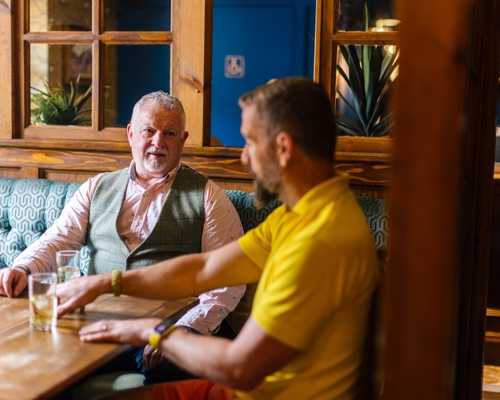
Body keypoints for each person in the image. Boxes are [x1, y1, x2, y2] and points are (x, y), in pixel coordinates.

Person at [56, 77, 380, 400]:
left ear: (283, 148)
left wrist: (151, 332)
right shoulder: (302, 213)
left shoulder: (318, 241)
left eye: (250, 142)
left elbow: (239, 367)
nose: (244, 158)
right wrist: (105, 284)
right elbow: (204, 269)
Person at [0, 91, 245, 384]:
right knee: (41, 368)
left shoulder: (209, 197)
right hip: (97, 321)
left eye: (169, 133)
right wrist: (23, 268)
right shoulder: (96, 187)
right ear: (131, 134)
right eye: (149, 131)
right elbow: (59, 240)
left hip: (164, 327)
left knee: (171, 370)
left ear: (182, 140)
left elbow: (228, 278)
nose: (158, 142)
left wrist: (185, 331)